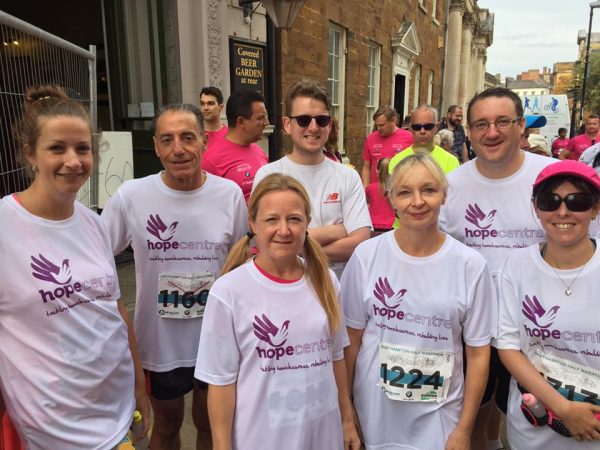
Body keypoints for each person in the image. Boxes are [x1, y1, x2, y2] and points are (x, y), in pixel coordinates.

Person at [0, 84, 149, 449]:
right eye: (57, 148)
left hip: (118, 412)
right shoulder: (5, 226)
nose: (73, 161)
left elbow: (116, 311)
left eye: (82, 148)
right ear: (30, 153)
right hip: (54, 429)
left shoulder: (93, 223)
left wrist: (139, 388)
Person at [101, 103, 247, 450]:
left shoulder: (228, 195)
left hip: (215, 338)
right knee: (166, 426)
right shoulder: (132, 196)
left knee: (210, 425)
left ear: (204, 141)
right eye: (167, 139)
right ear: (156, 146)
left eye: (187, 137)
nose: (178, 148)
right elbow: (96, 256)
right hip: (159, 342)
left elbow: (239, 267)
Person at [195, 173, 360, 450]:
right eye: (271, 219)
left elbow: (336, 357)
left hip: (323, 436)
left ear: (307, 223)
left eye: (294, 219)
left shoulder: (326, 281)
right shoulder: (228, 291)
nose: (284, 230)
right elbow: (221, 383)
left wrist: (346, 420)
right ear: (252, 223)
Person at [342, 152, 494, 449]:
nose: (418, 201)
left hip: (439, 417)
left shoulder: (470, 264)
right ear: (391, 199)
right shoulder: (366, 256)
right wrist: (346, 413)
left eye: (428, 190)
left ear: (444, 195)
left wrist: (465, 429)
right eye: (405, 192)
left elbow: (478, 353)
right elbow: (351, 339)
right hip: (376, 414)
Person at [440, 86, 553, 450]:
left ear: (521, 126)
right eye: (481, 124)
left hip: (538, 326)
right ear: (469, 131)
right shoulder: (451, 185)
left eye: (502, 122)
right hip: (472, 325)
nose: (491, 133)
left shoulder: (551, 177)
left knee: (532, 418)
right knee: (472, 409)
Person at [495, 160, 600, 449]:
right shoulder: (516, 265)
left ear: (595, 208)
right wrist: (563, 408)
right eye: (550, 201)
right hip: (534, 429)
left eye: (577, 201)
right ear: (536, 207)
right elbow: (508, 346)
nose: (563, 212)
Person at [253, 79, 371, 278]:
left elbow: (360, 242)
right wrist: (335, 231)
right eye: (304, 120)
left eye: (321, 120)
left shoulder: (348, 176)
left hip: (336, 290)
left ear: (329, 125)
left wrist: (296, 247)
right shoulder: (268, 175)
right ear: (287, 124)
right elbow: (264, 240)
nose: (313, 127)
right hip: (285, 287)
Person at [201, 89, 269, 202]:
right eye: (260, 118)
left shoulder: (259, 151)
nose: (266, 123)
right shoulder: (210, 160)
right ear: (241, 121)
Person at [388, 105, 460, 175]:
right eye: (417, 127)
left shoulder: (451, 162)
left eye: (428, 126)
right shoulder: (397, 161)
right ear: (411, 129)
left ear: (436, 127)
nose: (422, 131)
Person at [361, 105, 413, 186]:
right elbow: (366, 166)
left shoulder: (409, 137)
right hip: (375, 190)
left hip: (399, 188)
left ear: (393, 120)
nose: (378, 128)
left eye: (382, 125)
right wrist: (366, 188)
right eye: (377, 125)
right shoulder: (371, 138)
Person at [365, 157, 394, 233]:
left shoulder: (369, 188)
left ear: (377, 171)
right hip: (392, 225)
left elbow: (367, 204)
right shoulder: (395, 189)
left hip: (373, 225)